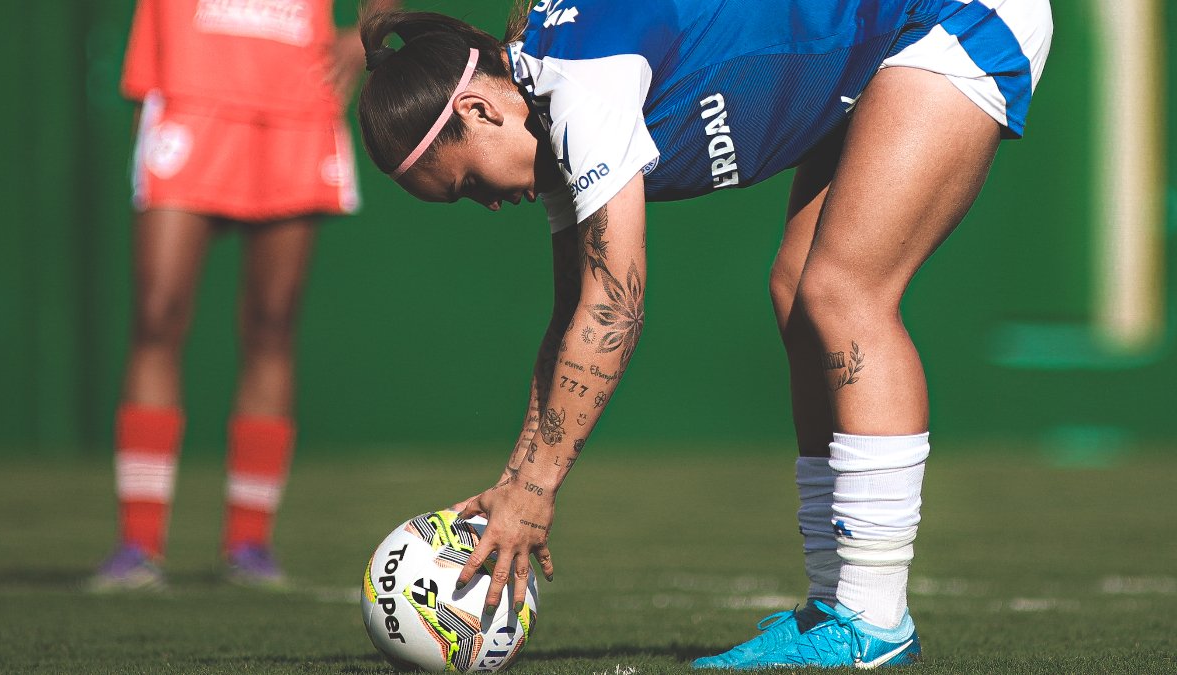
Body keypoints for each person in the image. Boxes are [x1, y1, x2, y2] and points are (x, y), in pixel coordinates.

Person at [356, 0, 1051, 667]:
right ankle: (831, 607)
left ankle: (873, 618)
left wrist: (537, 492)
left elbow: (613, 308)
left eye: (469, 184)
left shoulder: (580, 79)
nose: (490, 203)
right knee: (799, 290)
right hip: (877, 40)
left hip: (952, 14)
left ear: (478, 109)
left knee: (844, 292)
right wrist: (515, 483)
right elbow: (573, 312)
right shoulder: (547, 96)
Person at [89, 0, 393, 592]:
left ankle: (249, 545)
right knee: (157, 314)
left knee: (272, 325)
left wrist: (365, 36)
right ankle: (139, 544)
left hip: (296, 99)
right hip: (188, 84)